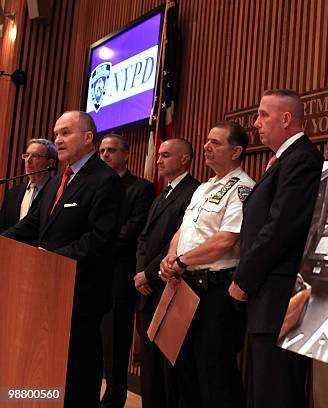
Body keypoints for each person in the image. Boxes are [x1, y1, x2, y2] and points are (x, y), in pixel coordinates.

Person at [2, 111, 123, 407]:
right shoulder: (57, 181)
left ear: (88, 137)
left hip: (80, 297)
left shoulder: (105, 180)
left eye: (65, 132)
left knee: (77, 379)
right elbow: (33, 224)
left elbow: (99, 239)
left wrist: (50, 259)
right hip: (45, 294)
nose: (58, 139)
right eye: (56, 133)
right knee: (44, 373)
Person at [228, 89, 323, 408]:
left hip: (278, 297)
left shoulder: (302, 160)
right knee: (265, 390)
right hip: (266, 298)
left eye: (263, 115)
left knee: (277, 393)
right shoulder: (283, 162)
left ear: (286, 119)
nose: (256, 123)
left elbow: (280, 227)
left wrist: (244, 279)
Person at [159, 121, 254, 407]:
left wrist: (182, 261)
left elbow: (226, 239)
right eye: (206, 141)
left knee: (214, 372)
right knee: (185, 368)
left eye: (216, 142)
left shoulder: (243, 187)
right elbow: (184, 229)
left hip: (215, 291)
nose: (206, 147)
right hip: (186, 285)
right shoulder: (203, 188)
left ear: (236, 151)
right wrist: (170, 256)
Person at [134, 139, 199, 408]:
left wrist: (149, 275)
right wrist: (140, 272)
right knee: (149, 367)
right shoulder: (162, 194)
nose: (158, 160)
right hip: (147, 289)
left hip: (168, 286)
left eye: (165, 155)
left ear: (184, 159)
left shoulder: (193, 191)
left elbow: (176, 241)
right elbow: (144, 238)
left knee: (168, 370)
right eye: (158, 155)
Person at [98, 133, 155, 408]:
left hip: (118, 277)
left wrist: (93, 245)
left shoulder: (140, 188)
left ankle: (113, 400)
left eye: (111, 150)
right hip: (90, 276)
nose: (105, 155)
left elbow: (133, 230)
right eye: (102, 150)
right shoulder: (93, 185)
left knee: (115, 346)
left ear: (126, 155)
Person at [0, 139, 57, 231]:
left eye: (35, 156)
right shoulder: (13, 193)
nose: (28, 160)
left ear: (50, 163)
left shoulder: (55, 192)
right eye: (26, 155)